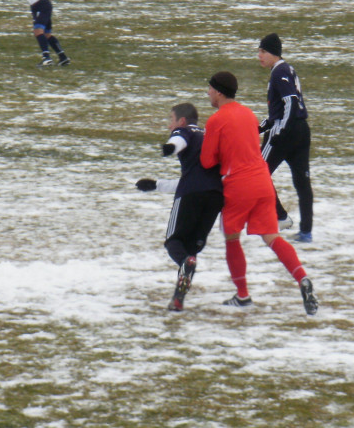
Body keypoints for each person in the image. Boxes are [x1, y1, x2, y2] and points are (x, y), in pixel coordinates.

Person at [200, 71, 318, 315]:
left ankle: (242, 296)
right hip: (263, 182)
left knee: (232, 237)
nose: (208, 93)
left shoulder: (216, 120)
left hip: (238, 185)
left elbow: (207, 160)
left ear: (219, 92)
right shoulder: (248, 113)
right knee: (272, 237)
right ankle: (302, 278)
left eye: (210, 89)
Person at [135, 103, 224, 311]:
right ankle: (178, 299)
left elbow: (178, 141)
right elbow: (197, 177)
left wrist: (170, 148)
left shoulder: (183, 131)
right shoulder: (208, 134)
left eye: (171, 120)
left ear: (181, 121)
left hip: (191, 195)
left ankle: (185, 267)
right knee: (191, 251)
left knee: (174, 242)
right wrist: (156, 185)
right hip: (216, 196)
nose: (170, 126)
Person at [256, 33, 314, 243]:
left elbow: (290, 102)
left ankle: (280, 216)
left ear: (273, 53)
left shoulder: (279, 72)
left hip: (285, 134)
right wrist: (260, 127)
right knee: (302, 183)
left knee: (257, 172)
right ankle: (306, 232)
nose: (259, 56)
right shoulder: (287, 69)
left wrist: (280, 131)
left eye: (263, 51)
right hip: (301, 131)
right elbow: (279, 111)